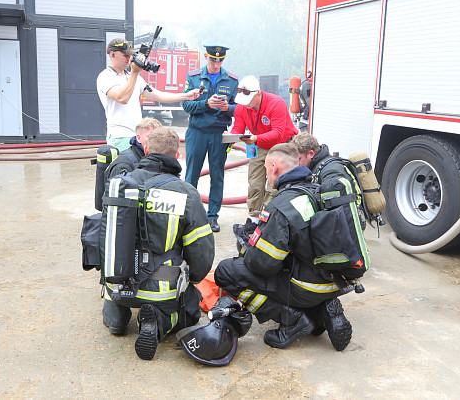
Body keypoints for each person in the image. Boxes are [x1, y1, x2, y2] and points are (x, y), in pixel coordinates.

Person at [214, 143, 352, 351]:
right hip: (337, 281)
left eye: (267, 171)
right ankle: (321, 310)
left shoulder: (281, 205)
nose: (268, 177)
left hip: (307, 286)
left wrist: (247, 246)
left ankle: (294, 318)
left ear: (274, 167)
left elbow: (263, 265)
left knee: (226, 271)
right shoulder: (318, 191)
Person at [102, 127, 215, 361]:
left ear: (145, 150)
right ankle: (159, 320)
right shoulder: (186, 193)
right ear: (176, 155)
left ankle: (116, 320)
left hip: (117, 283)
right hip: (161, 290)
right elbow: (202, 253)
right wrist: (192, 281)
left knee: (116, 302)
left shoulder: (120, 185)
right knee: (191, 311)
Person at [97, 38, 201, 151]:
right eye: (125, 55)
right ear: (113, 55)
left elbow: (159, 96)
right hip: (120, 137)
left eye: (130, 55)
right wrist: (135, 72)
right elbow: (122, 98)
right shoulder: (106, 76)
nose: (129, 58)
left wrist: (186, 96)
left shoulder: (133, 77)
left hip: (137, 137)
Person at [229, 75, 298, 236]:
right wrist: (231, 137)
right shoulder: (242, 107)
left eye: (249, 100)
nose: (246, 105)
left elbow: (278, 133)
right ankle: (254, 219)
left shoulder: (276, 103)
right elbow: (238, 128)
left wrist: (256, 138)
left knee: (274, 185)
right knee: (254, 182)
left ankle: (268, 219)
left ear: (258, 93)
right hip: (259, 145)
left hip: (281, 146)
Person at [181, 44, 239, 232]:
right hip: (196, 132)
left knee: (217, 175)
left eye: (220, 60)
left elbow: (239, 108)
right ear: (206, 57)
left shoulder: (231, 81)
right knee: (191, 175)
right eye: (213, 59)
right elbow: (186, 106)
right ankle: (188, 215)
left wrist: (226, 108)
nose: (216, 63)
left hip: (218, 134)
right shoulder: (194, 77)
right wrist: (206, 103)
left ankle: (212, 216)